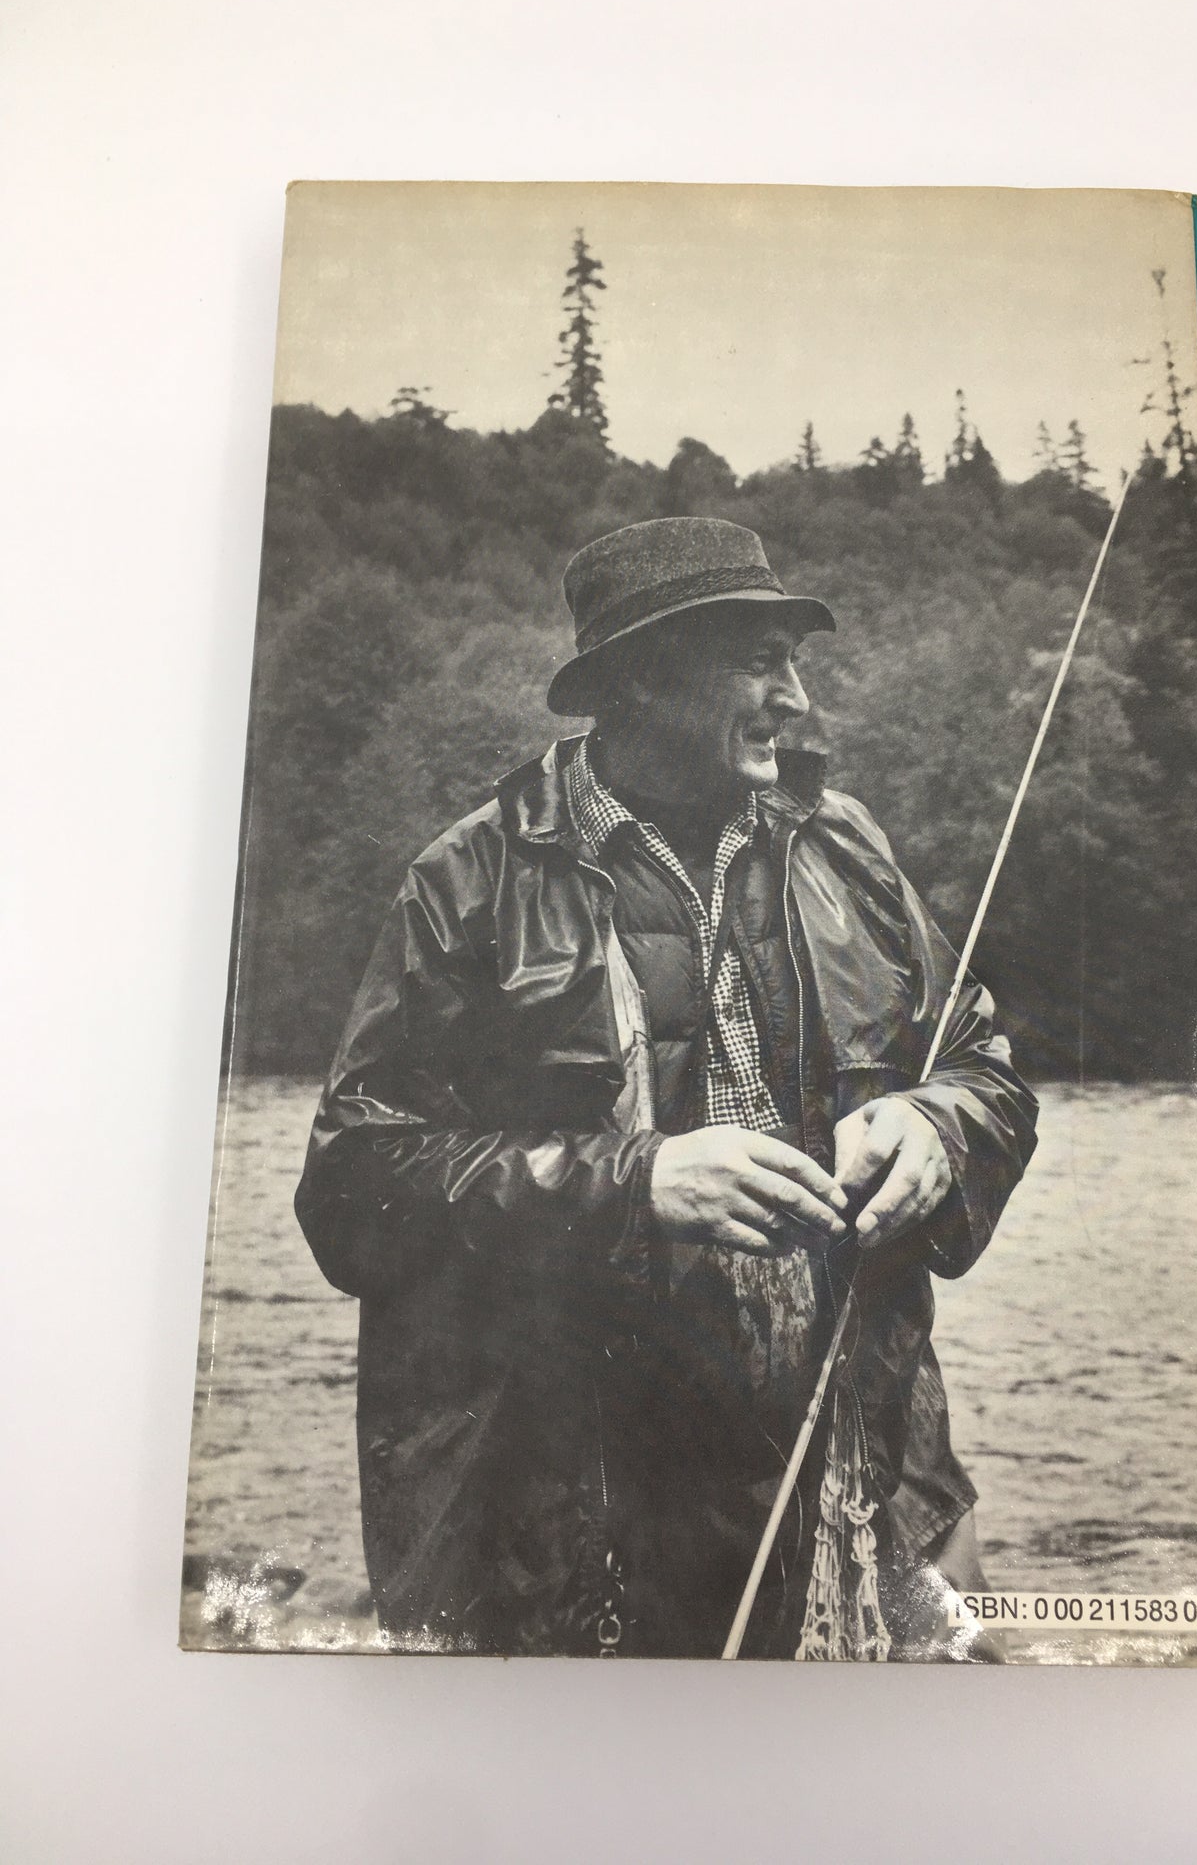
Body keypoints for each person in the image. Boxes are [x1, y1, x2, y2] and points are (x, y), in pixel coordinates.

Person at [295, 515, 1037, 1659]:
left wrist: (936, 1123)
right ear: (640, 679)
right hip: (575, 1513)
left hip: (870, 1459)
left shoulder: (845, 846)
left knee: (944, 1737)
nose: (794, 699)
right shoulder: (468, 881)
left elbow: (983, 1068)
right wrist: (634, 1184)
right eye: (758, 662)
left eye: (794, 663)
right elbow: (353, 1185)